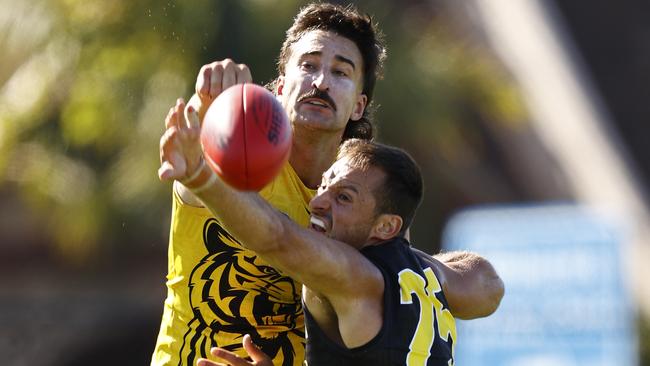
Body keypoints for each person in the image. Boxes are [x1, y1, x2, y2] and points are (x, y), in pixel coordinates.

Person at [153, 3, 504, 365]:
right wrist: (207, 101)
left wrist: (414, 273)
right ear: (280, 86)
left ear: (358, 105)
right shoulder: (232, 156)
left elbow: (482, 290)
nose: (321, 82)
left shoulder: (366, 201)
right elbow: (195, 149)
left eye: (340, 72)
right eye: (308, 65)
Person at [159, 116, 493, 364]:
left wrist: (200, 174)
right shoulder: (431, 276)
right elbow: (489, 282)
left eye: (344, 197)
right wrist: (418, 263)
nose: (318, 202)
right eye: (324, 186)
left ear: (386, 227)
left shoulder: (353, 278)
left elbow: (277, 239)